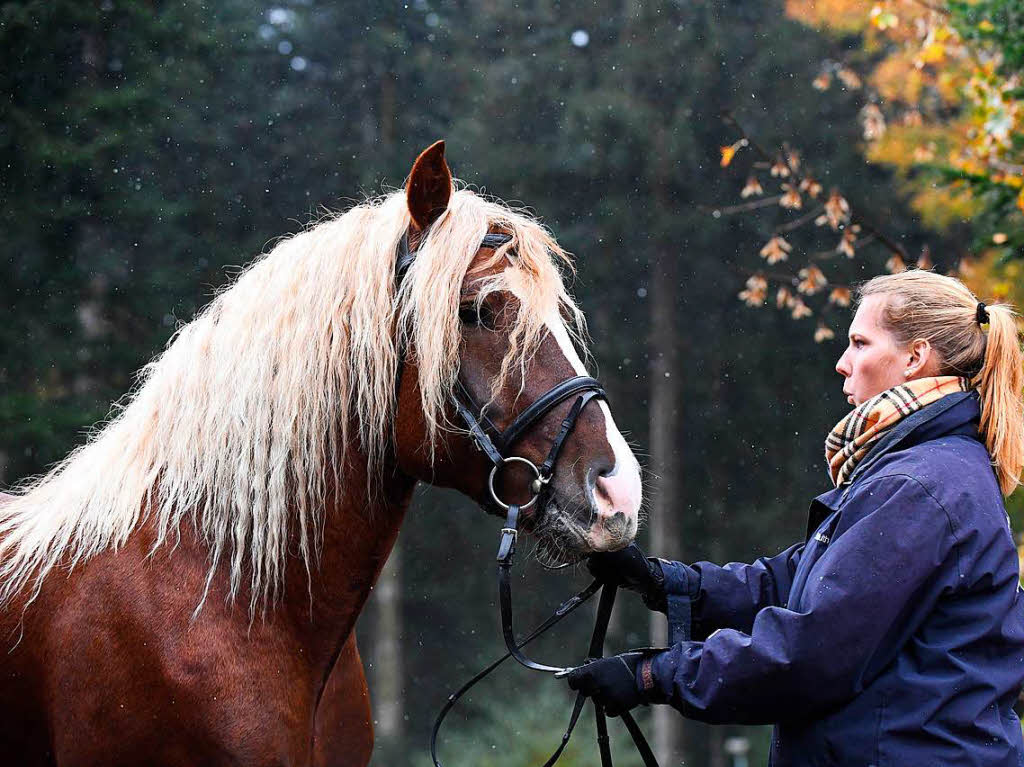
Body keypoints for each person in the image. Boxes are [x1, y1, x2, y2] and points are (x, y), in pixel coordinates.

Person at [568, 271, 1024, 766]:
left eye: (859, 343)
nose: (842, 363)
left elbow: (812, 654)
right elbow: (797, 583)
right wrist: (666, 583)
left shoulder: (918, 487)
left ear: (915, 357)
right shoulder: (922, 470)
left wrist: (654, 676)